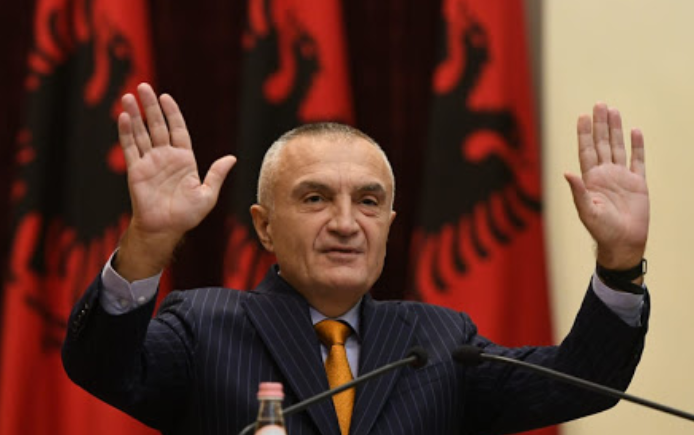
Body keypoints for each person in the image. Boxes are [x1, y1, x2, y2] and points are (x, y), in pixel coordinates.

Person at [62, 83, 650, 435]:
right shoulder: (203, 326)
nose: (346, 223)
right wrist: (149, 240)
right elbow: (100, 367)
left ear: (388, 224)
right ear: (264, 226)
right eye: (315, 198)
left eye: (368, 202)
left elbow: (583, 381)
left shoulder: (441, 342)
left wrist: (620, 261)